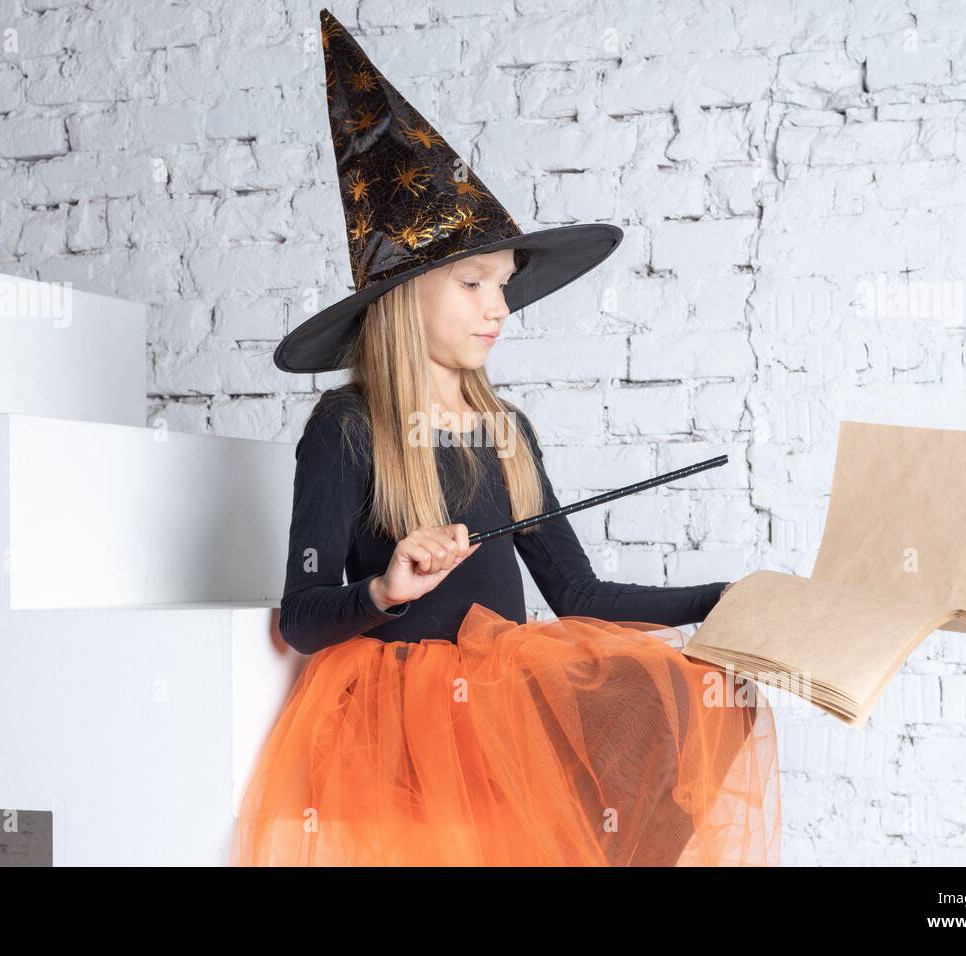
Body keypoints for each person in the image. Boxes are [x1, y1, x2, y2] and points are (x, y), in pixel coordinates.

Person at [229, 8, 780, 866]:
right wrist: (385, 589)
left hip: (503, 704)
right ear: (406, 296)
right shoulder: (344, 431)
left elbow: (581, 596)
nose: (500, 307)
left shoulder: (504, 431)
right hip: (402, 720)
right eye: (475, 282)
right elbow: (302, 621)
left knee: (684, 698)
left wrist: (720, 600)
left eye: (506, 285)